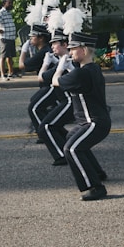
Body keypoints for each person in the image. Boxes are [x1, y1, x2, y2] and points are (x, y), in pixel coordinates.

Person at [52, 31, 111, 201]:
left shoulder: (81, 74)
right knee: (71, 137)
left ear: (83, 51)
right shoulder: (92, 68)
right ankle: (98, 173)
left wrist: (59, 68)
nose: (69, 52)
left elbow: (55, 82)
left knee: (71, 148)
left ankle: (95, 187)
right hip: (91, 122)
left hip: (94, 123)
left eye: (73, 49)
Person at [37, 29, 75, 165]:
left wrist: (46, 63)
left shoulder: (65, 63)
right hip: (66, 102)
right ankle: (68, 147)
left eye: (55, 43)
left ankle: (62, 156)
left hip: (71, 102)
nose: (52, 46)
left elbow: (42, 77)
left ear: (65, 45)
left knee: (45, 127)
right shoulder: (64, 61)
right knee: (52, 125)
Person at [0, 0, 16, 80]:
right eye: (9, 3)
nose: (11, 4)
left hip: (11, 37)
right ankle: (3, 74)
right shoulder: (1, 12)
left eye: (11, 3)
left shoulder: (9, 12)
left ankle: (11, 73)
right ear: (4, 4)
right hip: (4, 38)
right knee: (3, 56)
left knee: (10, 56)